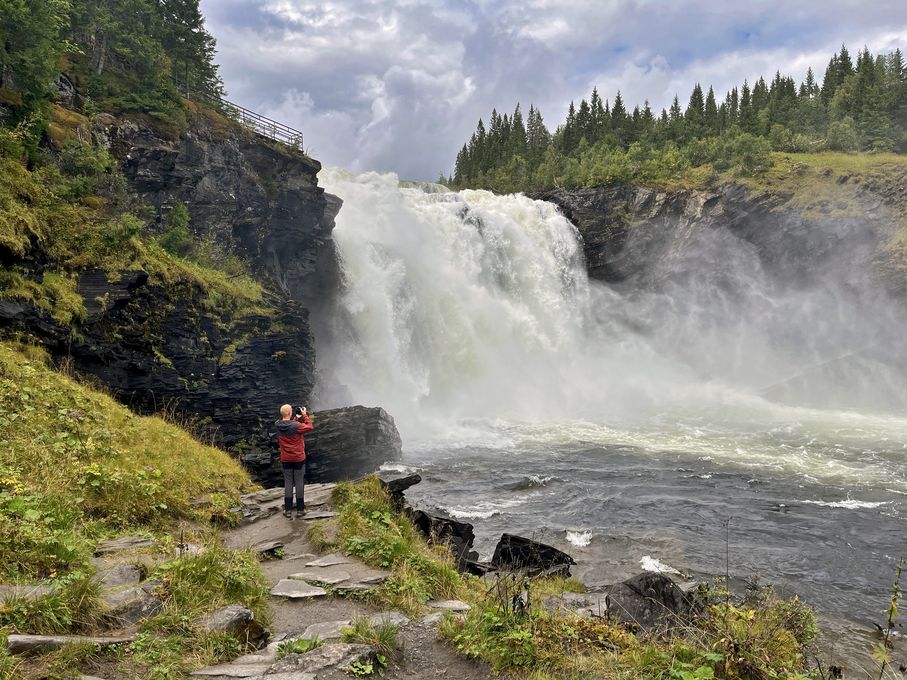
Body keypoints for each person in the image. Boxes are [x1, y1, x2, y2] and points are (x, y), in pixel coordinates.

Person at [274, 403, 314, 518]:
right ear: (290, 413)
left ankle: (288, 510)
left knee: (288, 483)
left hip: (286, 459)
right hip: (298, 458)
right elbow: (309, 426)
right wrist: (304, 415)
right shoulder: (296, 426)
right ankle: (300, 510)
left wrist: (296, 417)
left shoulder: (277, 425)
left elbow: (289, 425)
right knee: (299, 482)